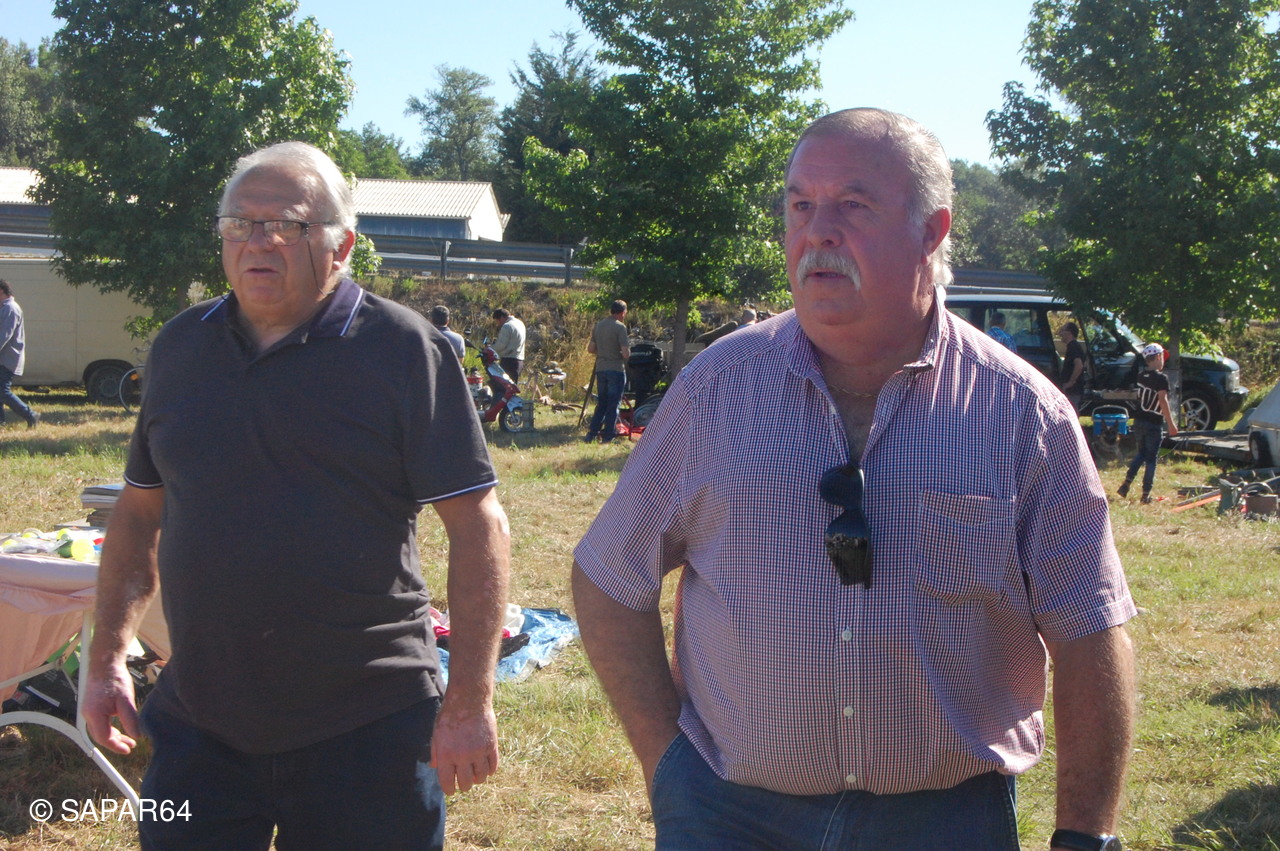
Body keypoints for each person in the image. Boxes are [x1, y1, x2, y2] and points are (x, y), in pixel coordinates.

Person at [573, 108, 1136, 851]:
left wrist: (1085, 837)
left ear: (932, 230)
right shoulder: (716, 393)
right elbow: (609, 575)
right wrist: (666, 763)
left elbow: (1089, 629)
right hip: (730, 818)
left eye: (853, 205)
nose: (818, 232)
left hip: (943, 825)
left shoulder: (1023, 415)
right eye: (800, 205)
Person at [83, 141, 511, 851]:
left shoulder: (403, 350)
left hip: (368, 725)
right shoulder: (180, 347)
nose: (257, 241)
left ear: (341, 246)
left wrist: (469, 698)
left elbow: (478, 526)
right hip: (200, 724)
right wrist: (106, 660)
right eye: (238, 223)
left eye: (284, 224)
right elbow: (138, 511)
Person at [1118, 342, 1179, 504]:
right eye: (1162, 357)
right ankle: (1146, 494)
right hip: (1154, 422)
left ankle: (1126, 483)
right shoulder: (1162, 378)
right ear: (1158, 357)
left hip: (1139, 420)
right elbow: (1162, 400)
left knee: (1141, 453)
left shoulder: (1141, 375)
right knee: (1151, 459)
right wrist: (1171, 423)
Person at [584, 299, 630, 444]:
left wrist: (603, 351)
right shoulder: (620, 327)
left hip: (601, 369)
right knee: (613, 404)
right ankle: (608, 435)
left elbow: (591, 349)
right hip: (615, 369)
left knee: (602, 403)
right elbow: (625, 353)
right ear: (622, 312)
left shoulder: (599, 325)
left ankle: (591, 434)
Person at [0, 279, 39, 428]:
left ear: (1, 291)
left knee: (2, 391)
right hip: (3, 358)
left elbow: (4, 335)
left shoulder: (10, 308)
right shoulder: (4, 308)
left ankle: (30, 415)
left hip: (8, 358)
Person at [490, 307, 526, 382]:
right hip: (519, 360)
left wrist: (490, 348)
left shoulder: (507, 326)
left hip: (509, 361)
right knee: (513, 385)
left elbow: (500, 346)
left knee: (504, 386)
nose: (498, 324)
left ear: (501, 318)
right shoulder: (520, 323)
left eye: (497, 321)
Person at [1059, 321, 1088, 412]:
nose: (1060, 333)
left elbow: (1079, 365)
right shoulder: (1071, 346)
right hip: (1072, 390)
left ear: (1069, 333)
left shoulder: (1073, 347)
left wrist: (1070, 382)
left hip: (1073, 390)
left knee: (1071, 412)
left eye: (1063, 330)